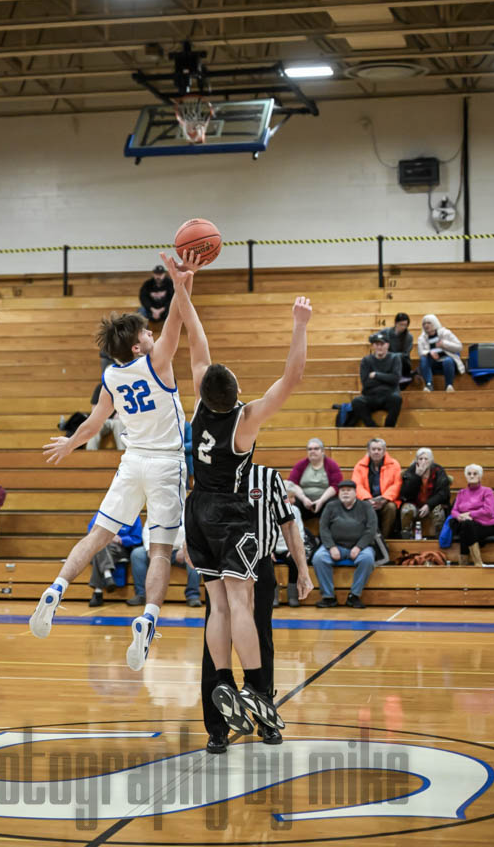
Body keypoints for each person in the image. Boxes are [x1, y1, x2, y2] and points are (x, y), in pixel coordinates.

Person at [164, 249, 312, 736]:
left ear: (206, 390)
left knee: (217, 605)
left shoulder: (198, 407)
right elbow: (291, 379)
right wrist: (299, 325)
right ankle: (252, 689)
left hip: (196, 509)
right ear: (236, 392)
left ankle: (223, 681)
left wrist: (181, 285)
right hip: (231, 512)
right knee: (241, 603)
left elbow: (196, 339)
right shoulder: (244, 421)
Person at [29, 252, 201, 673]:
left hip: (132, 462)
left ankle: (57, 588)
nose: (151, 332)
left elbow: (93, 424)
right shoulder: (158, 362)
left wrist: (70, 444)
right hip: (166, 464)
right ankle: (148, 618)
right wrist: (183, 280)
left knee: (98, 536)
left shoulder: (111, 377)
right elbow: (178, 319)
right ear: (138, 345)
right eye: (145, 331)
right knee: (160, 550)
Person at [201, 464, 313, 753]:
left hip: (259, 564)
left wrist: (302, 570)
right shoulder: (210, 474)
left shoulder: (268, 477)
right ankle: (217, 727)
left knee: (261, 641)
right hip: (222, 567)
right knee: (216, 647)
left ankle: (265, 717)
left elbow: (288, 524)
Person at [312, 479, 377, 608]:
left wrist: (359, 547)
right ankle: (328, 597)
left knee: (367, 559)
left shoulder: (366, 506)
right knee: (318, 558)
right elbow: (323, 528)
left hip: (360, 547)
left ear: (355, 493)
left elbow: (371, 529)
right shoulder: (331, 506)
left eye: (349, 490)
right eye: (342, 490)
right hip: (335, 546)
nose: (345, 493)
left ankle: (354, 596)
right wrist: (331, 547)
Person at [129, 523, 202, 608]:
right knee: (137, 554)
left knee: (194, 556)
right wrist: (149, 548)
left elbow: (192, 531)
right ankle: (141, 595)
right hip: (158, 549)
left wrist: (184, 548)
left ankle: (193, 596)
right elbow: (147, 531)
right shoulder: (155, 513)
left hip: (179, 551)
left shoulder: (186, 513)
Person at [87, 513, 143, 606]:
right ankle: (107, 575)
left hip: (123, 549)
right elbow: (91, 532)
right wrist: (107, 537)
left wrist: (122, 539)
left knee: (98, 549)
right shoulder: (102, 513)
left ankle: (98, 591)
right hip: (104, 546)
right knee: (100, 545)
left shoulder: (134, 516)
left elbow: (137, 538)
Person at [352, 437, 402, 538]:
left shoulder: (394, 464)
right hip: (367, 501)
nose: (376, 452)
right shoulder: (360, 465)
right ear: (368, 451)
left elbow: (397, 484)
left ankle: (383, 538)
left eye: (379, 449)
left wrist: (384, 499)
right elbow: (357, 485)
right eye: (373, 449)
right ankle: (366, 538)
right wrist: (368, 499)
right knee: (358, 507)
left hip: (386, 501)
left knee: (391, 508)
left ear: (384, 451)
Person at [351, 332, 402, 428]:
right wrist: (387, 378)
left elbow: (395, 379)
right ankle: (372, 426)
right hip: (371, 396)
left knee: (397, 399)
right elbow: (366, 383)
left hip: (389, 394)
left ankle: (389, 427)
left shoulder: (395, 358)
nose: (379, 347)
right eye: (376, 344)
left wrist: (376, 375)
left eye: (382, 344)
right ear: (373, 346)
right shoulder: (366, 360)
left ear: (387, 345)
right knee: (357, 402)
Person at [449, 464, 494, 566]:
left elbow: (488, 511)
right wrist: (459, 516)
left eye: (475, 474)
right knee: (465, 525)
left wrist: (469, 514)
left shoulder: (487, 491)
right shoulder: (461, 492)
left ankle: (467, 562)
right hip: (466, 523)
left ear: (480, 476)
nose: (471, 476)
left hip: (484, 525)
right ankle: (476, 563)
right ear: (466, 476)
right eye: (469, 474)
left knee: (466, 527)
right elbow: (454, 510)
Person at [399, 447, 451, 538]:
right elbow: (405, 494)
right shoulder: (410, 471)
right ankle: (406, 537)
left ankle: (440, 537)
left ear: (431, 461)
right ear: (416, 461)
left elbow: (443, 493)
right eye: (420, 459)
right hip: (414, 504)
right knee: (406, 509)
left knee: (438, 511)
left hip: (433, 504)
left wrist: (429, 505)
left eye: (426, 459)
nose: (423, 461)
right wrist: (416, 476)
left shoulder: (438, 471)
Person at [273, 479, 308, 608]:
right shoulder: (270, 510)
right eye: (291, 497)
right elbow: (266, 532)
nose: (294, 500)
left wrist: (294, 549)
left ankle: (293, 595)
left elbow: (300, 532)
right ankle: (273, 596)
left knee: (295, 561)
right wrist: (269, 550)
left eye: (294, 497)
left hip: (288, 548)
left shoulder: (295, 510)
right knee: (265, 564)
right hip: (272, 547)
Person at [287, 437, 342, 519]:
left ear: (322, 451)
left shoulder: (331, 465)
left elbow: (335, 485)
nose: (312, 451)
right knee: (291, 503)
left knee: (334, 505)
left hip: (325, 501)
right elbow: (292, 483)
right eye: (310, 449)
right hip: (304, 502)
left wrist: (321, 501)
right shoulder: (300, 464)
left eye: (316, 448)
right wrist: (304, 499)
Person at [417, 314, 465, 392]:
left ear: (434, 323)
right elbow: (420, 352)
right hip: (433, 362)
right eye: (424, 324)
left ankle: (449, 385)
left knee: (448, 361)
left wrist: (444, 344)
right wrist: (429, 353)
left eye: (429, 323)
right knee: (423, 359)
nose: (426, 325)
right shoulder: (421, 338)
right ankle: (429, 385)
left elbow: (459, 347)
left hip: (447, 360)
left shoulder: (445, 333)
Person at [381, 312, 414, 386]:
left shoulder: (409, 337)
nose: (403, 327)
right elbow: (373, 338)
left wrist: (391, 355)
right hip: (387, 359)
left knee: (398, 357)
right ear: (396, 323)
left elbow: (405, 354)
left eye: (405, 325)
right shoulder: (386, 332)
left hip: (403, 362)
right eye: (401, 324)